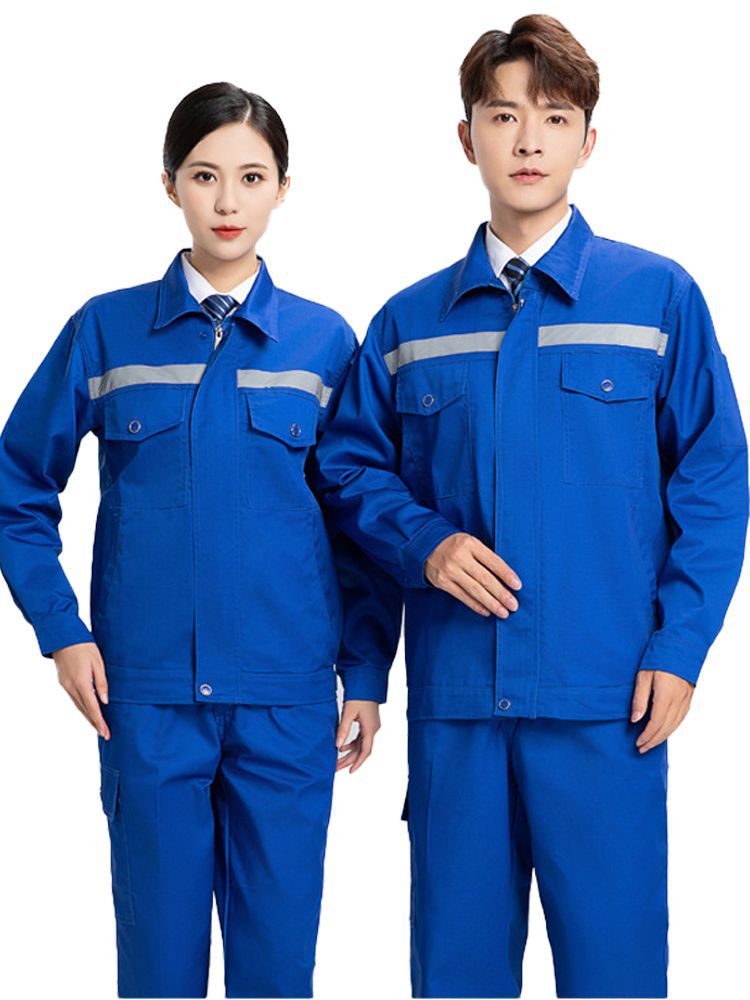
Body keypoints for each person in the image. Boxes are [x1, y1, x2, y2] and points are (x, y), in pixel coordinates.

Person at [313, 15, 749, 999]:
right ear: (465, 136)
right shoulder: (408, 322)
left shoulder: (657, 298)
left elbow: (716, 483)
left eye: (553, 117)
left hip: (609, 706)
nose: (527, 140)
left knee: (616, 977)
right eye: (503, 115)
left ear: (588, 141)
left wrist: (680, 648)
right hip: (460, 708)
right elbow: (346, 472)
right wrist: (424, 545)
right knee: (457, 979)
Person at [0, 81, 399, 999]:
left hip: (287, 702)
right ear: (170, 184)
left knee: (277, 973)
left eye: (252, 177)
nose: (228, 201)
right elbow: (18, 486)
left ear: (283, 189)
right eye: (205, 175)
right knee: (158, 971)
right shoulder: (106, 330)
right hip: (147, 701)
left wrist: (367, 674)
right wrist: (62, 632)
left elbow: (361, 521)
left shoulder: (323, 343)